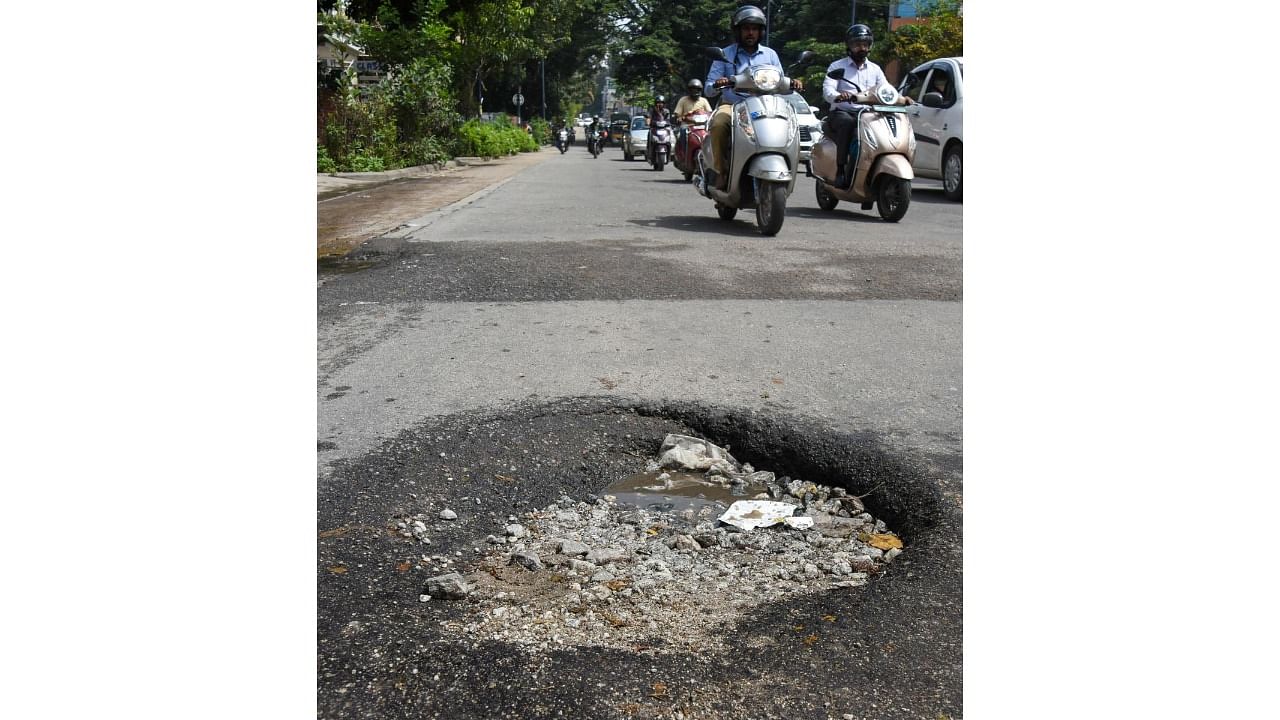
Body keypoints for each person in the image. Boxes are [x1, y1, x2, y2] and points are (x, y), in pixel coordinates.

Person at [705, 5, 802, 191]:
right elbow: (709, 88)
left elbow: (780, 83)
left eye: (755, 29)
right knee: (718, 124)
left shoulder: (770, 55)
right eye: (746, 28)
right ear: (738, 31)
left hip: (765, 106)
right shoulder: (724, 54)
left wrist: (792, 84)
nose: (750, 33)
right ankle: (721, 171)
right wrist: (718, 83)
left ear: (760, 32)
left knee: (791, 126)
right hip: (733, 105)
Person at [821, 23, 912, 188]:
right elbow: (828, 91)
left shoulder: (875, 69)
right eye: (857, 44)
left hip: (869, 114)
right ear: (849, 46)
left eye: (865, 44)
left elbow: (886, 90)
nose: (861, 48)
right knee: (848, 125)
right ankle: (841, 170)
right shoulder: (837, 66)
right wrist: (839, 96)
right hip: (843, 112)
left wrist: (902, 98)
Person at [673, 79, 713, 161]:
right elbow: (677, 113)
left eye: (697, 89)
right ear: (689, 90)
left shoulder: (704, 101)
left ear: (700, 90)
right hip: (687, 125)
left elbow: (710, 113)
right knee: (682, 133)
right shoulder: (683, 100)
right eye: (693, 89)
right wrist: (679, 118)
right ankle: (685, 153)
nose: (695, 91)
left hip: (702, 126)